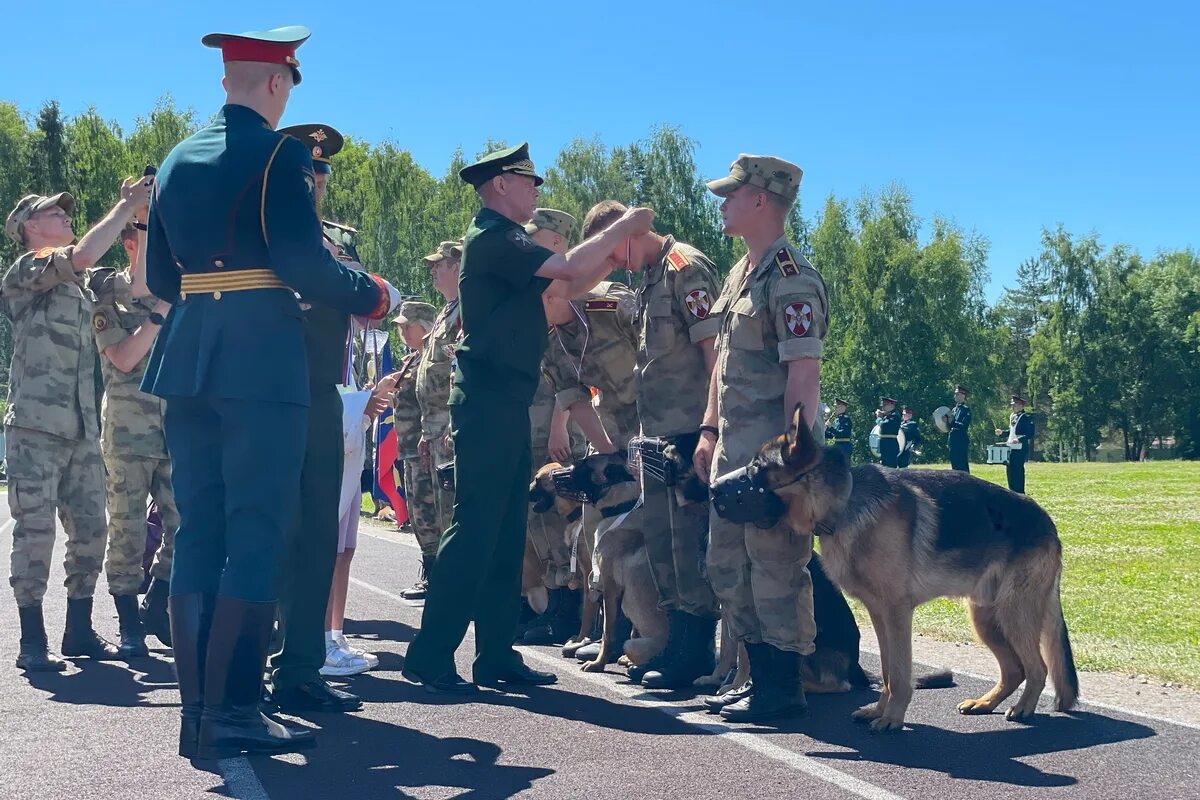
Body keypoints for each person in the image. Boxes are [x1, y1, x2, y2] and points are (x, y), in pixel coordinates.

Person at [142, 26, 400, 759]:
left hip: (189, 350)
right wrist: (372, 293)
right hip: (259, 357)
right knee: (257, 528)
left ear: (230, 80)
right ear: (279, 83)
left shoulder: (173, 159)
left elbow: (163, 278)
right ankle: (236, 711)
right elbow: (300, 260)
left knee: (201, 529)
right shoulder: (281, 153)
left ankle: (198, 712)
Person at [401, 142, 654, 694]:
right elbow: (564, 267)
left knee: (505, 531)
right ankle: (430, 653)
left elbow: (563, 286)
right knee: (474, 530)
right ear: (500, 185)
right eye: (527, 180)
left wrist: (608, 258)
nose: (536, 189)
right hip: (489, 399)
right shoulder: (495, 237)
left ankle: (495, 655)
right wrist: (623, 228)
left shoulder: (506, 244)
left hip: (505, 400)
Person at [692, 154, 827, 722]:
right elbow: (722, 366)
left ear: (761, 201)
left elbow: (803, 378)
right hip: (730, 455)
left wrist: (790, 469)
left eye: (731, 195)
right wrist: (707, 430)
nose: (723, 205)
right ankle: (754, 677)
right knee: (728, 566)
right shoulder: (739, 274)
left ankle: (781, 688)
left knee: (775, 569)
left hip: (773, 463)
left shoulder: (792, 277)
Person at [3, 182, 150, 672]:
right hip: (35, 426)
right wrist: (124, 204)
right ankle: (31, 638)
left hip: (83, 426)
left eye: (67, 214)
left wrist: (143, 220)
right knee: (36, 532)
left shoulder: (85, 285)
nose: (65, 217)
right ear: (29, 228)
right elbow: (83, 252)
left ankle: (79, 630)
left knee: (91, 530)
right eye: (54, 214)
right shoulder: (26, 271)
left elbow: (142, 288)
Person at [579, 199, 722, 689]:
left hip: (688, 433)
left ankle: (696, 648)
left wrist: (711, 429)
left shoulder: (686, 267)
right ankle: (678, 640)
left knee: (688, 545)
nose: (612, 263)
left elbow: (713, 355)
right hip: (656, 437)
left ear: (628, 232)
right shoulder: (646, 282)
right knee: (663, 543)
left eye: (613, 251)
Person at [267, 122, 385, 712]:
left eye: (320, 174)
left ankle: (299, 665)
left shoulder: (331, 239)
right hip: (268, 391)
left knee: (316, 532)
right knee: (269, 530)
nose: (315, 182)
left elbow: (369, 299)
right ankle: (258, 662)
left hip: (321, 393)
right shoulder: (264, 232)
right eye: (304, 171)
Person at [89, 221, 178, 658]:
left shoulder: (180, 290)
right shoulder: (107, 295)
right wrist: (161, 312)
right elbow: (123, 359)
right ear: (129, 244)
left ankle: (157, 601)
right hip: (128, 430)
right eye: (147, 236)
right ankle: (127, 620)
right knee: (127, 527)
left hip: (176, 428)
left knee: (187, 522)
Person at [519, 209, 583, 646]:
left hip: (561, 433)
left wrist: (560, 425)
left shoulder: (573, 297)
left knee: (564, 522)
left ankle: (568, 609)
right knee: (540, 521)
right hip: (533, 430)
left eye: (535, 240)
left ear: (557, 243)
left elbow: (579, 374)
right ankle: (552, 603)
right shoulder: (537, 292)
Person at [414, 240, 463, 591]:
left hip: (450, 428)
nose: (433, 269)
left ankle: (458, 585)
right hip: (433, 429)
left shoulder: (465, 311)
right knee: (439, 511)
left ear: (458, 267)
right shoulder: (447, 311)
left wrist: (448, 422)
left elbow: (459, 371)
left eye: (440, 264)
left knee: (453, 510)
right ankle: (447, 579)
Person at [390, 301, 440, 600]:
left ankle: (441, 579)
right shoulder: (412, 360)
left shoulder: (431, 361)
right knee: (420, 516)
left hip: (426, 449)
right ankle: (431, 574)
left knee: (432, 514)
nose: (403, 331)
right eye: (401, 327)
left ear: (425, 325)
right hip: (409, 450)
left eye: (409, 325)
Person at [997, 394, 1034, 493]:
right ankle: (1012, 491)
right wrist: (1002, 433)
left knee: (1017, 469)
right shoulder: (1013, 417)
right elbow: (1011, 431)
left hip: (1020, 448)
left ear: (1021, 406)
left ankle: (1020, 492)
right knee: (1010, 469)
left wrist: (1019, 439)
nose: (1013, 407)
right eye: (1012, 405)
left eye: (1015, 405)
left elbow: (1030, 433)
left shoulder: (1026, 417)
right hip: (1010, 447)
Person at [949, 384, 972, 472]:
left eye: (957, 394)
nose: (955, 396)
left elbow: (964, 426)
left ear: (963, 395)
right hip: (953, 439)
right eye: (955, 394)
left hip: (961, 440)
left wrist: (951, 422)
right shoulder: (954, 409)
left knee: (962, 465)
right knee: (954, 466)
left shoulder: (966, 409)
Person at [875, 397, 901, 468]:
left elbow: (884, 425)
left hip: (890, 444)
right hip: (885, 443)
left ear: (891, 405)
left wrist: (879, 418)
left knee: (891, 465)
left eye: (884, 405)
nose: (882, 408)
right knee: (884, 464)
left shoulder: (894, 416)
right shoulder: (888, 416)